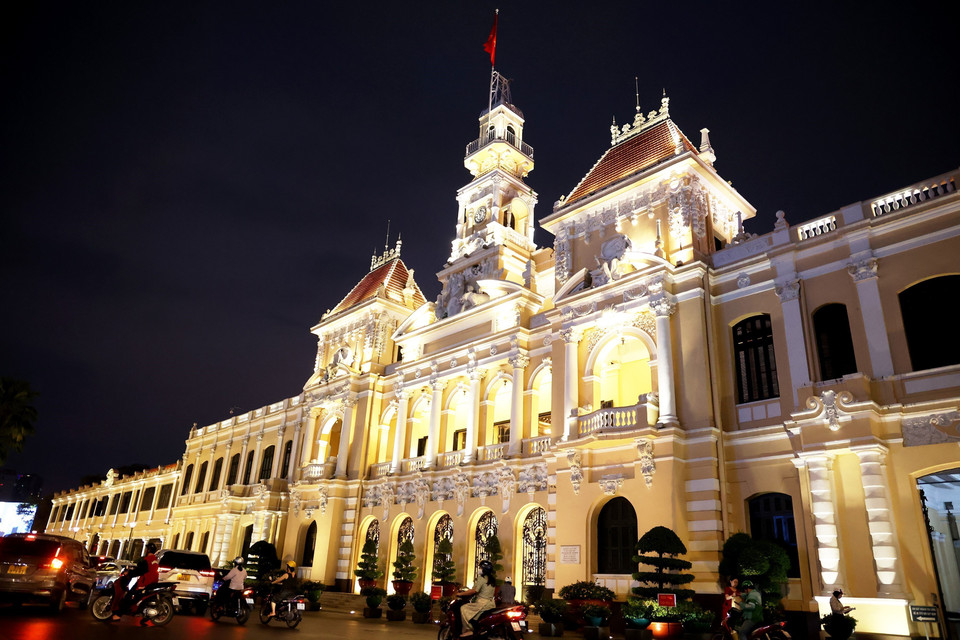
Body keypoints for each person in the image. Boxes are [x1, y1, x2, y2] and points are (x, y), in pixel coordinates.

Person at [111, 542, 159, 621]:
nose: (145, 550)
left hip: (145, 582)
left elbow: (139, 571)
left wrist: (129, 573)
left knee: (129, 596)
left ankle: (118, 615)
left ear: (148, 550)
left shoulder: (147, 560)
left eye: (146, 549)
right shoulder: (154, 559)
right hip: (152, 581)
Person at [458, 560, 497, 637]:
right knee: (475, 616)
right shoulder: (492, 579)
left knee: (463, 608)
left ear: (484, 569)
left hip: (482, 604)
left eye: (480, 568)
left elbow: (474, 590)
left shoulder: (481, 578)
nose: (479, 569)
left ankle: (470, 630)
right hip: (491, 604)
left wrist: (460, 594)